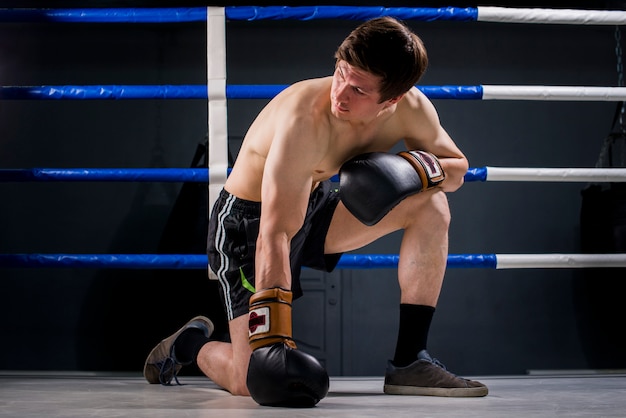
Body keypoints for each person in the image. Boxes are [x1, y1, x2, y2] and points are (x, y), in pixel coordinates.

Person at [143, 16, 488, 406]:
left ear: (391, 100)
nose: (340, 93)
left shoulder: (411, 108)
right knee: (249, 380)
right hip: (249, 227)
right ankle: (192, 344)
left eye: (358, 89)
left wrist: (413, 170)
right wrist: (274, 339)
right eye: (340, 72)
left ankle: (410, 360)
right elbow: (273, 234)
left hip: (313, 208)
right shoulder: (302, 119)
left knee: (432, 204)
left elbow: (456, 167)